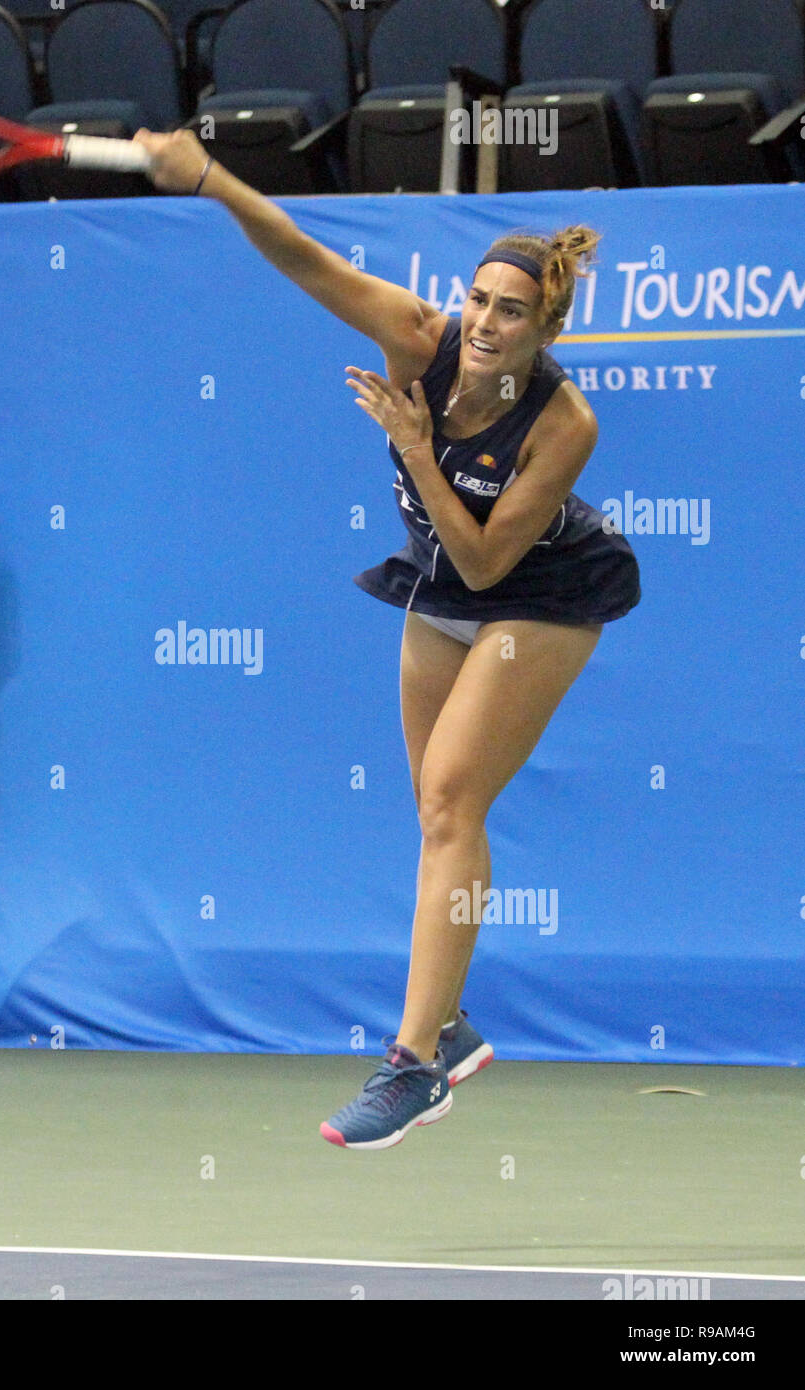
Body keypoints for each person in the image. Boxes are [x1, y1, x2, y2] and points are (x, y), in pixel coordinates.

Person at [133, 131, 639, 1149]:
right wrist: (208, 177)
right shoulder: (420, 335)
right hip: (437, 580)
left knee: (455, 796)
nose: (486, 323)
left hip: (537, 590)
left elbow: (493, 563)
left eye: (511, 310)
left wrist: (416, 448)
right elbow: (303, 256)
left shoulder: (562, 421)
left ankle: (410, 1068)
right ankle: (445, 1026)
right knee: (431, 810)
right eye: (478, 301)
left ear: (545, 324)